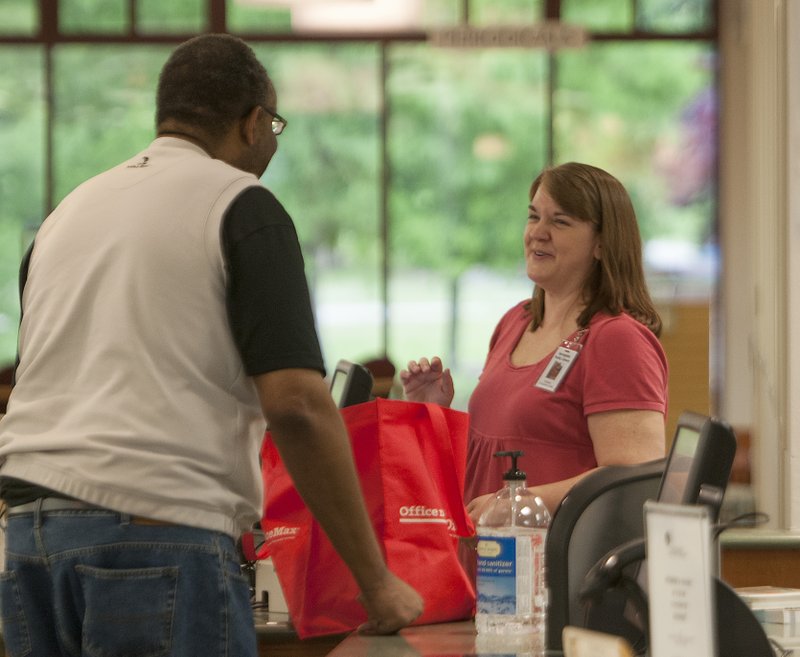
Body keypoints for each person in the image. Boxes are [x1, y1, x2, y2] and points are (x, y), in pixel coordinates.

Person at [0, 34, 422, 657]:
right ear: (253, 123)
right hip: (153, 532)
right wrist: (376, 581)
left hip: (28, 538)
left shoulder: (67, 214)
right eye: (276, 125)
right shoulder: (240, 205)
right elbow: (297, 405)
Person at [401, 162, 668, 524]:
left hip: (557, 571)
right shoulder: (516, 322)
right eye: (533, 217)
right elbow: (487, 461)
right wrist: (432, 416)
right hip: (488, 564)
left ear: (602, 244)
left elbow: (633, 478)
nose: (537, 233)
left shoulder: (616, 339)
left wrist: (519, 504)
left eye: (560, 222)